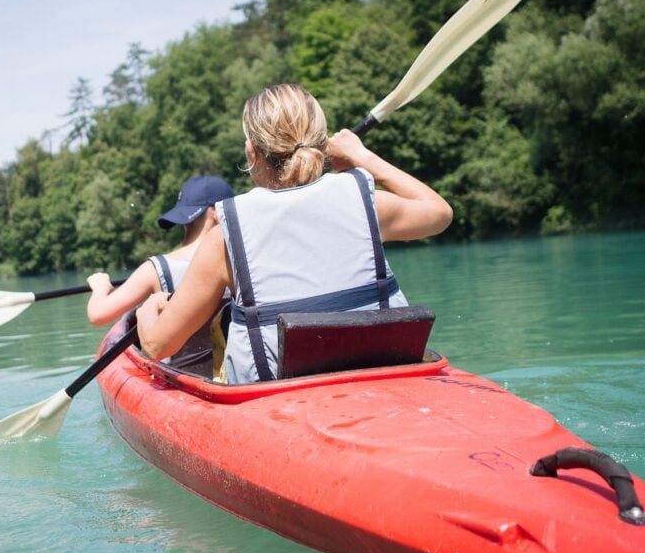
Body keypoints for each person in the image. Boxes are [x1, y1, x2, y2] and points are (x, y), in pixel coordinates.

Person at [136, 83, 453, 384]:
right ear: (322, 144)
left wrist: (148, 309)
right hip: (384, 378)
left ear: (251, 152)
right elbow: (440, 214)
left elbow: (158, 346)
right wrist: (363, 157)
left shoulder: (224, 238)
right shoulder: (367, 204)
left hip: (278, 402)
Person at [85, 175, 235, 326]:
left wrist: (101, 286)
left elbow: (98, 315)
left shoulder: (156, 270)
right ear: (217, 212)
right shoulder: (241, 258)